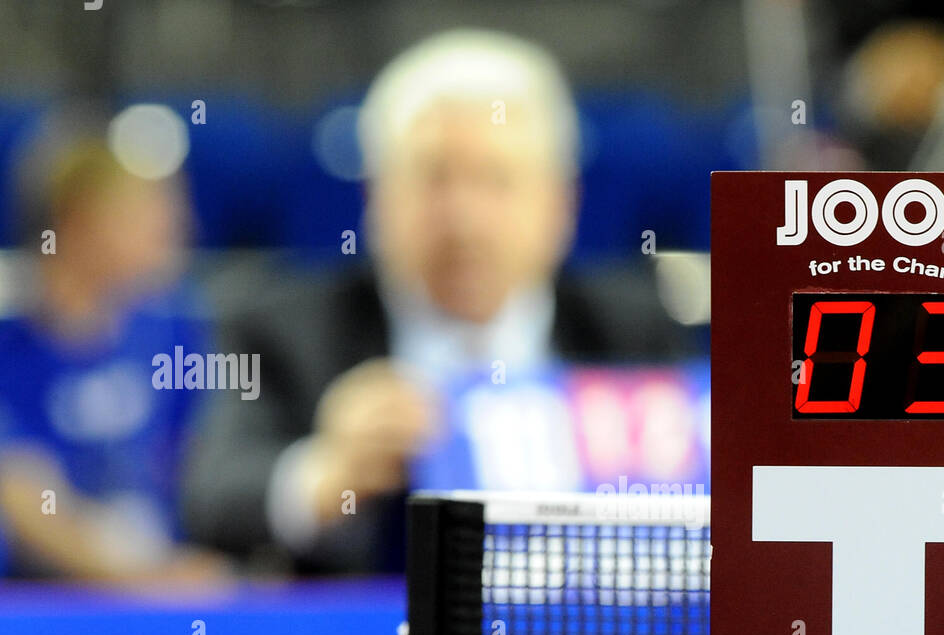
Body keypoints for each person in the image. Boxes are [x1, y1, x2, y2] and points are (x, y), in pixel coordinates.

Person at [182, 29, 688, 574]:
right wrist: (323, 473)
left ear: (560, 204)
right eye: (433, 178)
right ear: (374, 199)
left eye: (497, 180)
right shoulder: (285, 329)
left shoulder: (635, 332)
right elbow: (212, 496)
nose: (464, 220)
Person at [0, 134, 229, 584]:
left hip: (166, 592)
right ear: (76, 224)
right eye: (145, 212)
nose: (177, 228)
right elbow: (21, 492)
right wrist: (143, 578)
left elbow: (207, 462)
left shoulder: (176, 333)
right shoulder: (12, 350)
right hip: (49, 608)